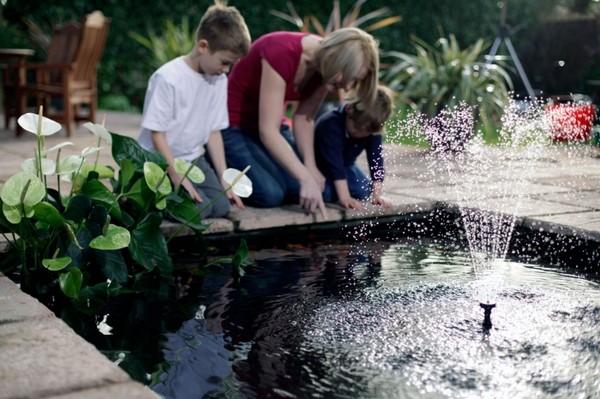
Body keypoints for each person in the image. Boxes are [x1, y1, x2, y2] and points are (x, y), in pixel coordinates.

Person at [222, 27, 380, 218]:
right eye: (350, 77)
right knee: (270, 194)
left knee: (326, 189)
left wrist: (310, 167)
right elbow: (268, 131)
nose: (347, 87)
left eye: (354, 81)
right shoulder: (281, 51)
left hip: (272, 130)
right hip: (235, 127)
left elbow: (304, 118)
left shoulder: (326, 67)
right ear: (337, 59)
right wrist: (304, 177)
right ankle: (218, 165)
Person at [137, 1, 251, 218]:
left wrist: (225, 177)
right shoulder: (168, 78)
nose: (226, 71)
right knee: (200, 209)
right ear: (203, 46)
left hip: (193, 159)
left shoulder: (219, 79)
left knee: (221, 206)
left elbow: (214, 131)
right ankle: (142, 198)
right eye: (224, 62)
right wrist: (175, 174)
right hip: (159, 161)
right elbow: (157, 134)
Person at [314, 85, 394, 210]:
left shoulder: (371, 127)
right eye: (356, 128)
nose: (360, 134)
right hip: (320, 166)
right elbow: (336, 165)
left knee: (364, 190)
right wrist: (344, 197)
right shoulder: (330, 124)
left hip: (346, 165)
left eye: (365, 132)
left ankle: (336, 191)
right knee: (326, 192)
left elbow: (376, 159)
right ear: (349, 111)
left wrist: (377, 194)